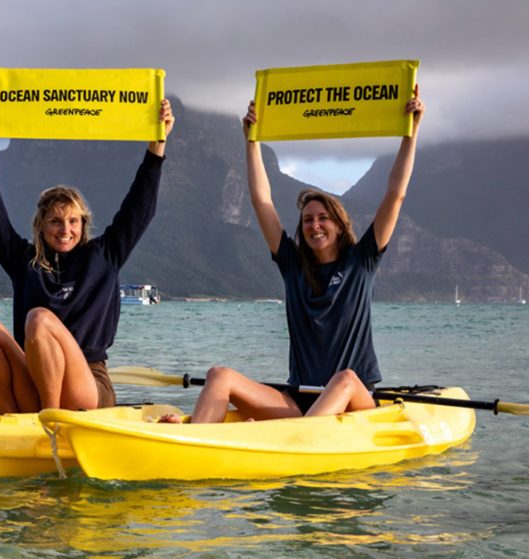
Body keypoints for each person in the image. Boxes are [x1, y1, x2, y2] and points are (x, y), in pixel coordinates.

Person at [167, 87, 424, 424]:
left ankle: (289, 440)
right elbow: (262, 201)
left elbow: (396, 194)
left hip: (354, 399)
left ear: (339, 224)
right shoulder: (292, 266)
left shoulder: (361, 262)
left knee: (345, 378)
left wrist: (411, 133)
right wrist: (251, 141)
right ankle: (192, 442)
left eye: (322, 218)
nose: (314, 225)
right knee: (219, 375)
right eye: (307, 220)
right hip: (299, 399)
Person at [0, 99, 174, 413]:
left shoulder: (104, 255)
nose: (65, 230)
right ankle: (11, 417)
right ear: (41, 225)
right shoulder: (25, 263)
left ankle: (49, 421)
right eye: (55, 221)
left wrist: (157, 146)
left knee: (39, 319)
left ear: (83, 224)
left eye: (73, 221)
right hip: (35, 380)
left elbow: (139, 209)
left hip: (88, 384)